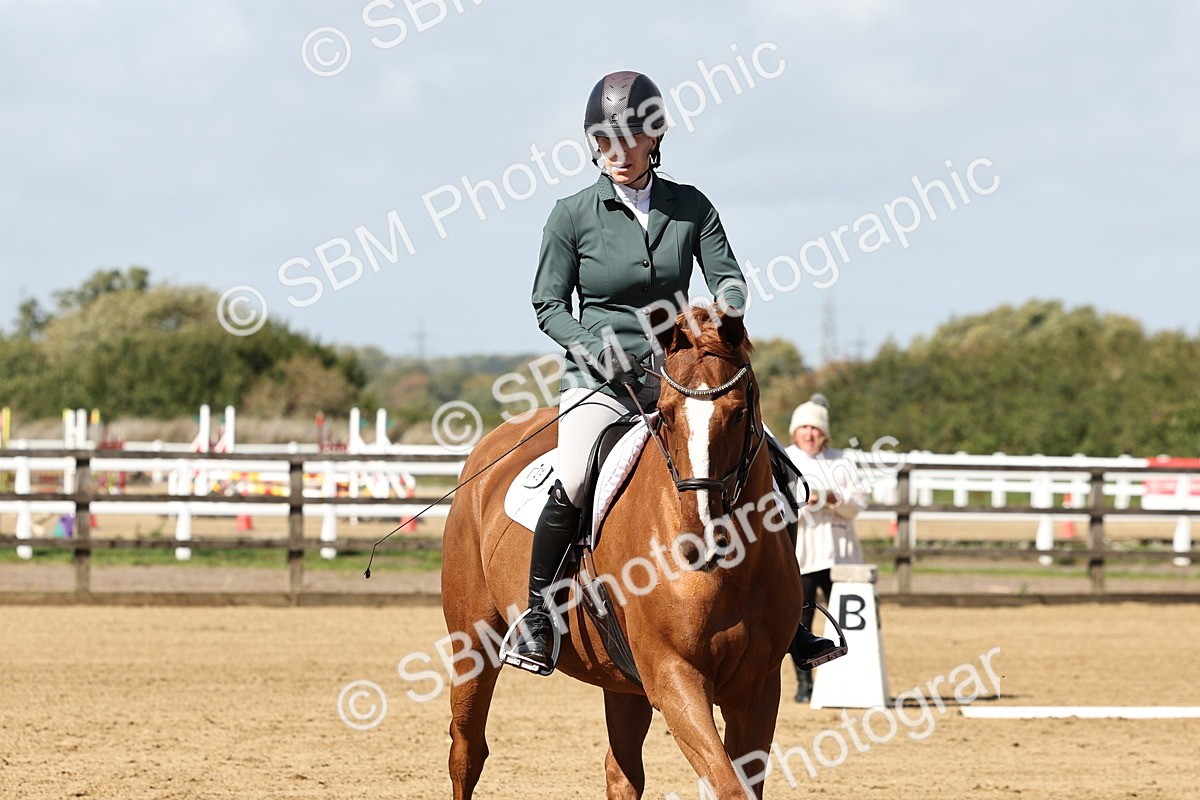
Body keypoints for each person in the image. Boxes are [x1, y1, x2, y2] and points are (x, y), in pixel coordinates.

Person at [509, 70, 752, 673]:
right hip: (599, 381)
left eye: (628, 139)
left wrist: (724, 311)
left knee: (765, 460)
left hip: (678, 377)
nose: (615, 152)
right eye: (603, 140)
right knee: (574, 476)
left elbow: (727, 276)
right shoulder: (571, 214)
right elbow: (548, 305)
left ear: (654, 138)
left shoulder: (690, 206)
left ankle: (787, 613)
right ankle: (538, 616)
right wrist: (594, 349)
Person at [785, 393, 868, 701]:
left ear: (824, 433)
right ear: (795, 431)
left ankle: (848, 680)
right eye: (804, 428)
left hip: (840, 551)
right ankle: (805, 684)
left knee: (848, 619)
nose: (810, 434)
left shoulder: (842, 460)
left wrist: (835, 500)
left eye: (815, 428)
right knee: (801, 620)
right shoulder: (787, 458)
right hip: (804, 553)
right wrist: (804, 502)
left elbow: (859, 501)